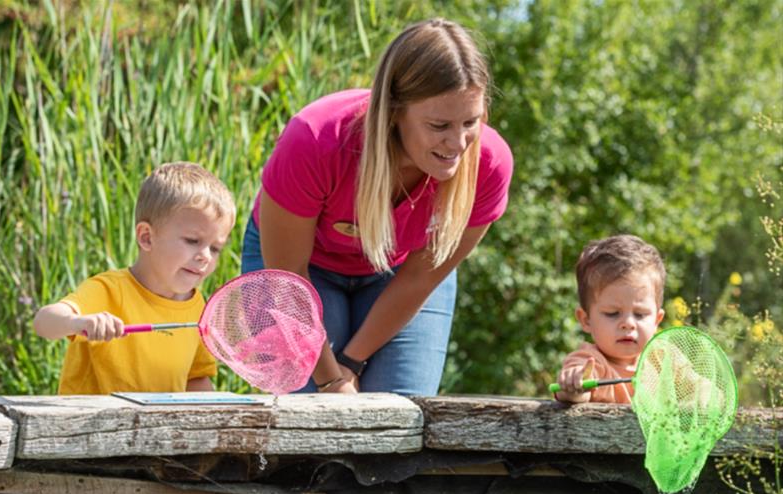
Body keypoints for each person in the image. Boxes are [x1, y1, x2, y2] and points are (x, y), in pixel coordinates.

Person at [241, 19, 514, 396]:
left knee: (400, 417)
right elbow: (287, 276)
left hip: (403, 275)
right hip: (299, 272)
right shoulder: (316, 139)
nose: (458, 143)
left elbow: (421, 278)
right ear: (395, 111)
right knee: (310, 422)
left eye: (471, 122)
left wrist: (352, 363)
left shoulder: (490, 164)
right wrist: (331, 379)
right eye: (439, 125)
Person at [33, 162, 236, 395]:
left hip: (160, 430)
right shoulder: (109, 290)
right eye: (192, 241)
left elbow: (196, 377)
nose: (205, 257)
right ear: (146, 237)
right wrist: (78, 323)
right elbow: (43, 323)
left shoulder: (198, 307)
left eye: (216, 248)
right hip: (94, 429)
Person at [555, 235, 666, 404]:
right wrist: (574, 385)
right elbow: (574, 394)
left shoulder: (664, 361)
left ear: (657, 320)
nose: (628, 323)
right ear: (586, 320)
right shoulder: (590, 361)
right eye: (612, 313)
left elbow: (703, 388)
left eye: (640, 314)